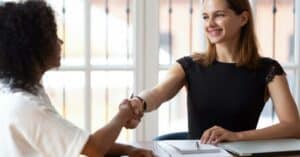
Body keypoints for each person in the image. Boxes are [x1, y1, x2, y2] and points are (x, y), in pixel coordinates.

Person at [127, 0, 300, 144]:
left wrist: (236, 136)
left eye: (219, 15)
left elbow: (293, 126)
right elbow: (158, 93)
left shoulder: (268, 69)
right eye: (205, 17)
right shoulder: (189, 66)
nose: (209, 24)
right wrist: (138, 103)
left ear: (243, 18)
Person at [0, 1, 154, 157]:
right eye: (53, 36)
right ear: (34, 47)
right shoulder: (26, 107)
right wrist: (123, 115)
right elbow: (94, 148)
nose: (61, 42)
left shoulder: (23, 94)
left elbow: (79, 144)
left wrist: (128, 150)